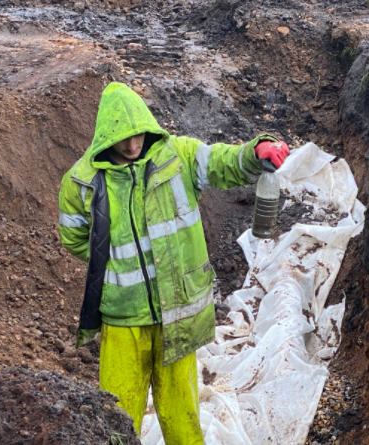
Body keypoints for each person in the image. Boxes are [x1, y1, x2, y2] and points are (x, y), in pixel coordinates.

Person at [58, 82, 289, 444]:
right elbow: (73, 238)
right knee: (117, 419)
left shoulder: (177, 156)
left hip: (177, 314)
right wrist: (113, 265)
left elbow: (223, 163)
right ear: (106, 135)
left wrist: (254, 153)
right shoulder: (82, 182)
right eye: (122, 139)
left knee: (182, 416)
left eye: (137, 136)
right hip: (122, 320)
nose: (132, 146)